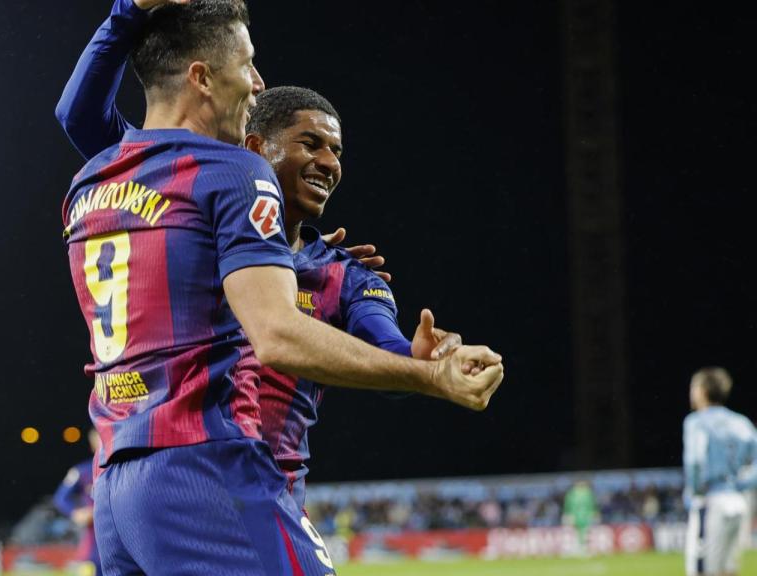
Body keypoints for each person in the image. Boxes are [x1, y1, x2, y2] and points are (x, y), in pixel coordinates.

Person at [60, 1, 504, 574]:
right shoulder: (220, 173)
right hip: (212, 470)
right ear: (253, 146)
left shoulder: (100, 179)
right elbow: (275, 333)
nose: (327, 162)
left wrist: (416, 364)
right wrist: (429, 378)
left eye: (335, 151)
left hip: (139, 483)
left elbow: (387, 353)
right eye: (309, 144)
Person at [683, 367, 757, 576]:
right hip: (737, 502)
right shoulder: (740, 422)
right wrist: (743, 483)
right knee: (728, 569)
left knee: (703, 570)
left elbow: (695, 460)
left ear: (701, 391)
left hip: (711, 501)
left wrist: (695, 490)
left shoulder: (696, 421)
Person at [53, 429, 101, 576]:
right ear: (92, 444)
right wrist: (76, 513)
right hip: (93, 539)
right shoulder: (82, 471)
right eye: (98, 439)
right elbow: (61, 498)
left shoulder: (124, 467)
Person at [562, 480, 598, 556]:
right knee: (584, 532)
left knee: (578, 533)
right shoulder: (588, 493)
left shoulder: (572, 493)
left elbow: (567, 505)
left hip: (576, 516)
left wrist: (567, 514)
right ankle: (582, 549)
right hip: (585, 516)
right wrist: (594, 513)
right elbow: (593, 505)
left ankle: (579, 549)